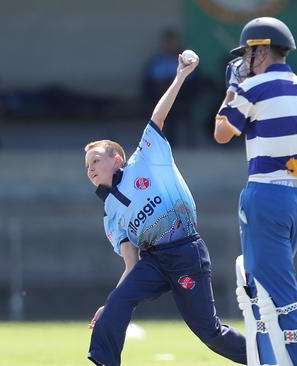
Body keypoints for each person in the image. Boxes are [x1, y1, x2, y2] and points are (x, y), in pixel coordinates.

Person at [84, 54, 246, 366]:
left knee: (209, 333)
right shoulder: (111, 215)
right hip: (154, 262)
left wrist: (180, 76)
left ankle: (264, 357)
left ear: (117, 160)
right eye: (87, 165)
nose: (90, 168)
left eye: (96, 161)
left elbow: (157, 117)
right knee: (117, 301)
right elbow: (131, 265)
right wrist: (113, 305)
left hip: (186, 251)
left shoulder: (144, 158)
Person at [213, 17, 297, 366]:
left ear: (262, 50)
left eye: (249, 52)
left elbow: (222, 133)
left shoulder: (252, 88)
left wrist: (231, 92)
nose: (245, 61)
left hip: (267, 197)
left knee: (280, 299)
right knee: (262, 293)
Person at [142, 28, 199, 146]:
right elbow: (148, 82)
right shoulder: (156, 60)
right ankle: (165, 145)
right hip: (159, 97)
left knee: (176, 108)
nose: (170, 45)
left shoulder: (185, 61)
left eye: (173, 41)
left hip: (181, 97)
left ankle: (176, 145)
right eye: (168, 41)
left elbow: (194, 81)